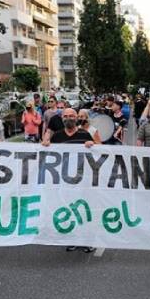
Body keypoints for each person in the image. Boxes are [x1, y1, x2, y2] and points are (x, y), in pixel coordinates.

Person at [41, 108, 96, 253]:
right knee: (69, 209)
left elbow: (100, 153)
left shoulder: (84, 134)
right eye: (65, 116)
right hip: (64, 181)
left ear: (76, 118)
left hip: (83, 180)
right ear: (62, 118)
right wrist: (45, 144)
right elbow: (49, 155)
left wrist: (92, 145)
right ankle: (73, 239)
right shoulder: (57, 136)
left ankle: (86, 240)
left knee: (84, 210)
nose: (68, 118)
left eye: (71, 116)